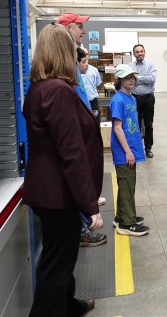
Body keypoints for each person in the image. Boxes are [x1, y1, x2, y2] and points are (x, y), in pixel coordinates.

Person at [23, 23, 103, 316]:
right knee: (57, 266)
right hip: (59, 195)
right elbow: (72, 154)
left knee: (61, 257)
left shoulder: (38, 88)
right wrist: (89, 204)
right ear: (64, 53)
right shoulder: (59, 91)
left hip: (47, 190)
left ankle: (68, 305)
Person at [60, 13, 107, 246]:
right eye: (79, 26)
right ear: (67, 28)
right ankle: (81, 231)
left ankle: (86, 206)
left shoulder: (71, 56)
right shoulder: (64, 60)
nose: (84, 31)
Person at [110, 64, 151, 236]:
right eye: (127, 77)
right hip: (124, 150)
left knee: (127, 184)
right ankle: (127, 224)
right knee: (127, 184)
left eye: (132, 77)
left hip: (132, 147)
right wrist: (127, 151)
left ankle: (121, 216)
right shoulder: (118, 100)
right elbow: (117, 128)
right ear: (119, 80)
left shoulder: (132, 98)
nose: (131, 80)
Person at [129, 44, 157, 158]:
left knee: (148, 124)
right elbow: (130, 81)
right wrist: (143, 79)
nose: (140, 53)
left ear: (144, 52)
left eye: (141, 51)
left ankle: (148, 148)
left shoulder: (150, 64)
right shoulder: (130, 66)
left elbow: (152, 79)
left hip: (148, 98)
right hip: (134, 98)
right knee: (135, 124)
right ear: (134, 54)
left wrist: (138, 78)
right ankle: (136, 148)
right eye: (137, 52)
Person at [80, 47, 103, 124]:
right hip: (81, 102)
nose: (85, 56)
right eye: (82, 54)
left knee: (96, 124)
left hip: (93, 101)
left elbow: (97, 84)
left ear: (88, 55)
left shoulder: (94, 70)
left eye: (86, 54)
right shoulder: (76, 71)